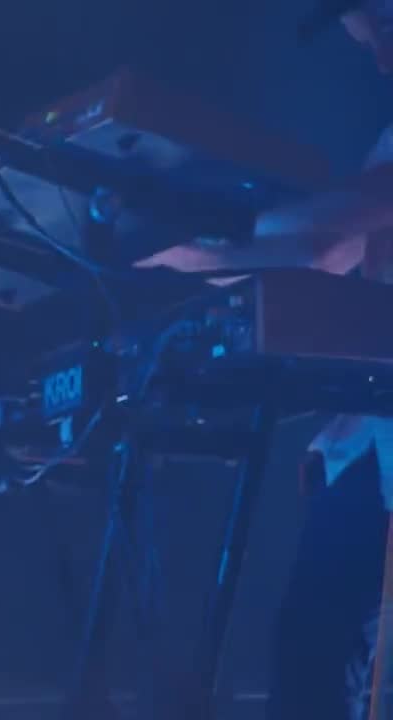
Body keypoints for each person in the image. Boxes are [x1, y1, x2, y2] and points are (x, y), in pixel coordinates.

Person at [140, 1, 393, 716]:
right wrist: (210, 261)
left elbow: (341, 224)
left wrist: (223, 245)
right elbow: (333, 250)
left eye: (387, 29)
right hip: (373, 436)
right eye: (366, 41)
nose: (379, 60)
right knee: (310, 659)